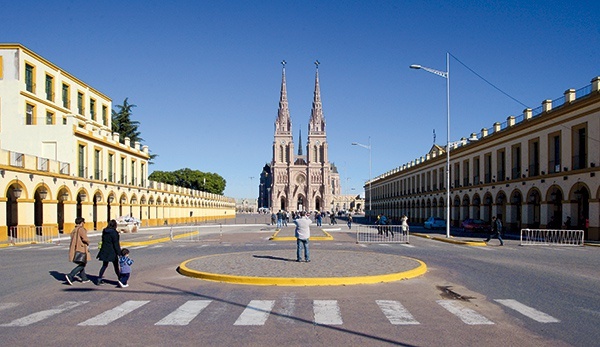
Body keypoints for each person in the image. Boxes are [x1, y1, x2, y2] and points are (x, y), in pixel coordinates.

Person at [66, 217, 91, 285]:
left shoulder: (74, 229)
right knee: (83, 263)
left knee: (81, 263)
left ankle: (84, 278)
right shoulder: (81, 229)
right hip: (81, 248)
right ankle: (71, 275)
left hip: (75, 248)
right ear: (82, 223)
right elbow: (84, 238)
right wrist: (88, 241)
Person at [96, 219, 122, 285]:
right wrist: (119, 253)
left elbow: (103, 240)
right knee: (116, 266)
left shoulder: (104, 231)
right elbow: (116, 244)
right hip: (112, 251)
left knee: (104, 265)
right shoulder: (114, 233)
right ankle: (120, 279)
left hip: (105, 250)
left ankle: (99, 279)